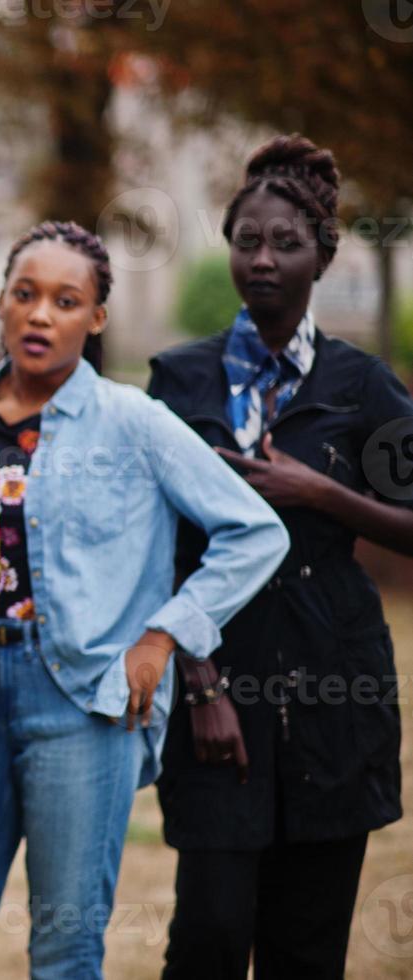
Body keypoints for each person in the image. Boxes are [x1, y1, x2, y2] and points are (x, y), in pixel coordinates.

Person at [0, 220, 291, 980]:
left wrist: (161, 638)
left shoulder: (134, 422)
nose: (40, 315)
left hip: (82, 704)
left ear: (96, 317)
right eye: (25, 295)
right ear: (1, 302)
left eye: (65, 300)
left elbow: (254, 532)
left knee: (65, 944)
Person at [151, 135, 413, 979]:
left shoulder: (362, 387)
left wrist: (322, 495)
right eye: (245, 241)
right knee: (211, 937)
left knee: (307, 948)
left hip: (336, 689)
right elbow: (154, 546)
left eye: (284, 243)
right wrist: (200, 684)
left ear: (322, 256)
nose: (261, 259)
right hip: (215, 688)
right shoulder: (177, 383)